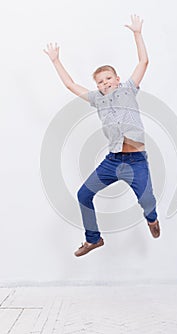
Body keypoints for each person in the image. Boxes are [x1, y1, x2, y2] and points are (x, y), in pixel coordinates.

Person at [43, 14, 160, 257]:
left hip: (137, 161)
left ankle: (152, 218)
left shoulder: (128, 89)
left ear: (117, 80)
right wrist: (56, 61)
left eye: (108, 79)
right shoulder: (98, 100)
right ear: (97, 87)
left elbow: (144, 61)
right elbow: (70, 84)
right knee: (83, 194)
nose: (105, 83)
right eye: (100, 82)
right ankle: (93, 239)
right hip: (113, 161)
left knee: (147, 200)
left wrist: (137, 34)